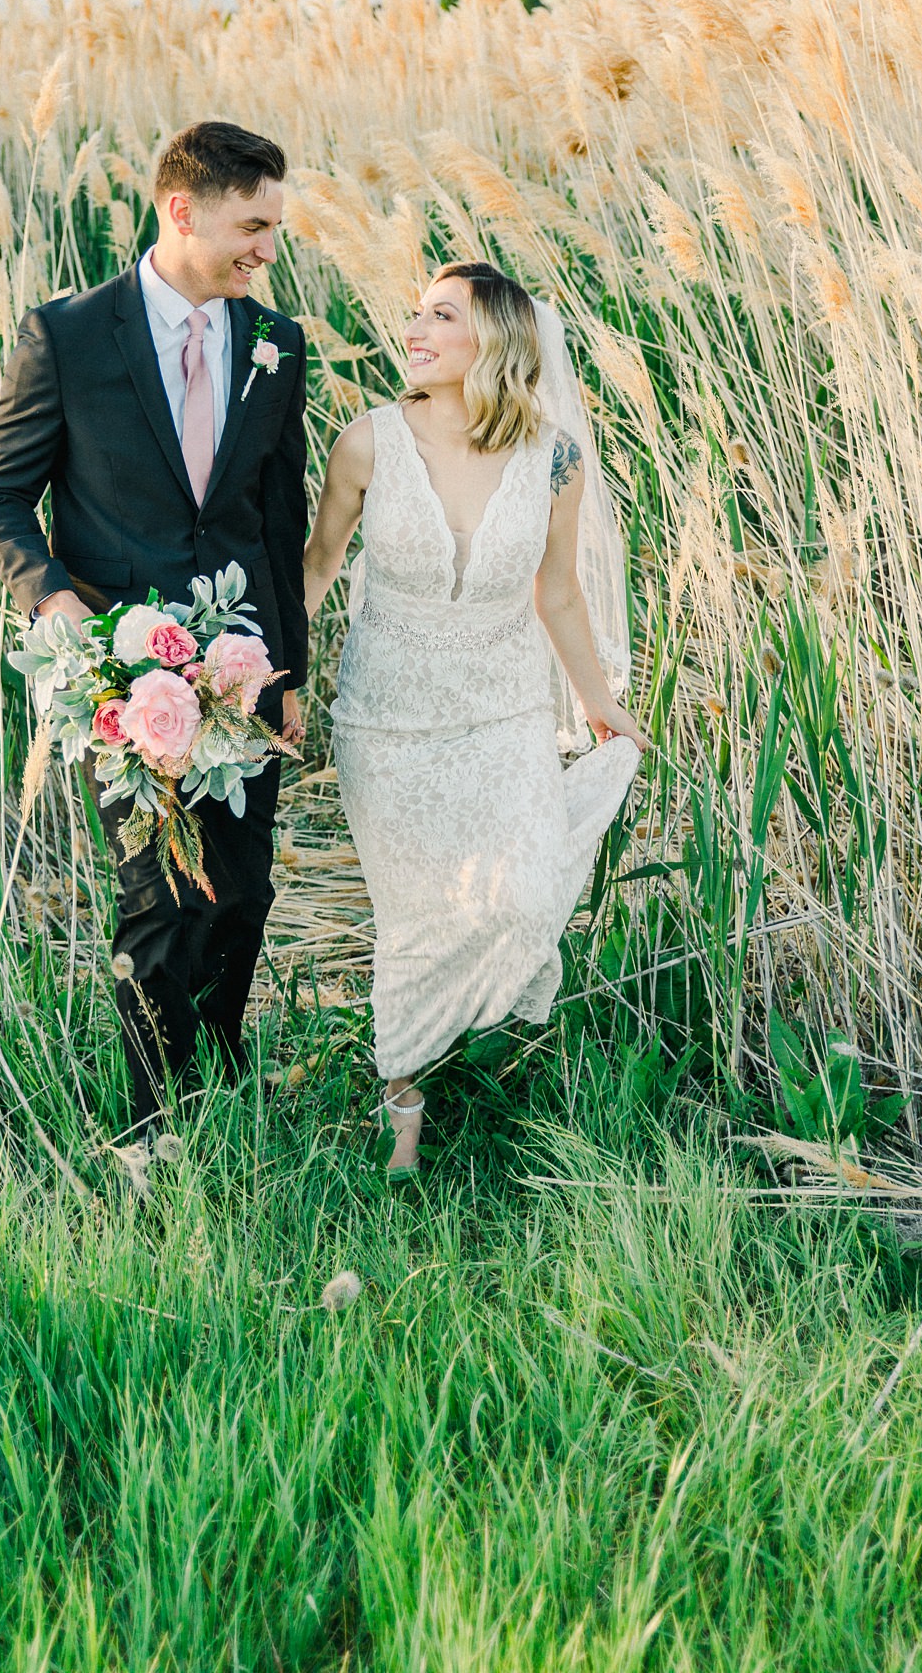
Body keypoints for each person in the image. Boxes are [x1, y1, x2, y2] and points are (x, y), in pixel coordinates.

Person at [0, 120, 308, 1132]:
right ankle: (150, 1131)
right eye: (252, 225)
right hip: (125, 678)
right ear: (181, 211)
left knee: (242, 899)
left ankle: (221, 1095)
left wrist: (286, 672)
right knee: (165, 904)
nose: (266, 248)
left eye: (275, 229)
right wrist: (52, 596)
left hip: (242, 668)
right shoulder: (69, 336)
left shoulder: (276, 344)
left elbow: (277, 520)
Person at [303, 260, 646, 1178]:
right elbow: (317, 568)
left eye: (440, 316)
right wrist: (265, 676)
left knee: (526, 896)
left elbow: (560, 595)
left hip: (503, 715)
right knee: (413, 918)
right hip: (388, 722)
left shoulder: (555, 460)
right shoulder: (368, 443)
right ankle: (403, 1112)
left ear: (492, 338)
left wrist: (597, 703)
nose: (413, 329)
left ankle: (470, 1039)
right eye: (414, 312)